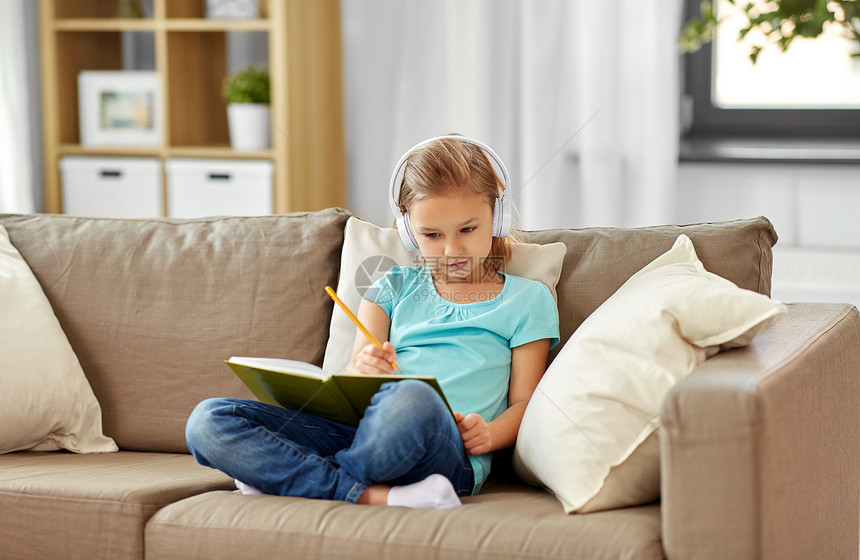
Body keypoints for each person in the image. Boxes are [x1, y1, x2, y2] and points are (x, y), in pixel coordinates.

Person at [185, 134, 559, 509]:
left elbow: (527, 404)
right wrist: (363, 369)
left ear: (497, 217)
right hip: (360, 433)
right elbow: (355, 388)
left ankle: (293, 477)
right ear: (410, 232)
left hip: (446, 451)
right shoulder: (390, 289)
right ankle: (370, 495)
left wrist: (490, 435)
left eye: (468, 229)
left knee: (413, 396)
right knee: (209, 420)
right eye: (432, 235)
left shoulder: (527, 300)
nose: (452, 251)